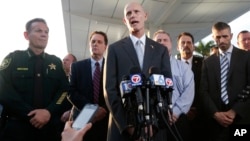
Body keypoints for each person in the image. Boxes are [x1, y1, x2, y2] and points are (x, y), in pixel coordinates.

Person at [103, 2, 172, 141]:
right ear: (124, 21)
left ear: (145, 16)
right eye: (128, 13)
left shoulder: (160, 50)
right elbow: (109, 90)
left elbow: (167, 87)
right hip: (122, 130)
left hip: (155, 129)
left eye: (136, 11)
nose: (133, 15)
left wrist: (156, 122)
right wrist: (128, 125)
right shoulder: (114, 49)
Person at [0, 18, 69, 141]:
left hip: (49, 130)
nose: (44, 35)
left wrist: (49, 111)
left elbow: (63, 91)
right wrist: (31, 114)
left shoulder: (55, 62)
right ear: (26, 35)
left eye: (46, 32)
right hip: (17, 128)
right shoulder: (13, 59)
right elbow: (4, 91)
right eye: (38, 31)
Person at [200, 21, 250, 141]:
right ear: (213, 37)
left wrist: (234, 111)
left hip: (241, 119)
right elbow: (203, 91)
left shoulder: (246, 57)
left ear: (231, 36)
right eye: (218, 37)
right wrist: (215, 114)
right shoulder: (208, 62)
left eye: (225, 36)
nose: (221, 40)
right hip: (216, 123)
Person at [65, 31, 109, 141]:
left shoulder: (112, 67)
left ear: (105, 47)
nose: (95, 44)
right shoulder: (76, 66)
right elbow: (71, 92)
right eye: (93, 41)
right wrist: (92, 109)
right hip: (81, 118)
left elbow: (115, 91)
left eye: (99, 42)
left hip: (105, 119)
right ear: (89, 45)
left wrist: (103, 109)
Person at [153, 30, 194, 141]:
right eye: (158, 40)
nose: (162, 43)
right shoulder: (147, 67)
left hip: (178, 118)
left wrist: (175, 112)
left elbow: (189, 93)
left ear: (171, 44)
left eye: (165, 40)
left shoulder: (183, 67)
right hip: (154, 121)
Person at [176, 32, 205, 141]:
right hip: (179, 117)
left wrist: (196, 108)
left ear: (193, 46)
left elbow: (205, 89)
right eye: (182, 42)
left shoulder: (204, 64)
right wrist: (184, 109)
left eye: (189, 42)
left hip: (200, 115)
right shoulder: (172, 65)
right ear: (178, 47)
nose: (186, 45)